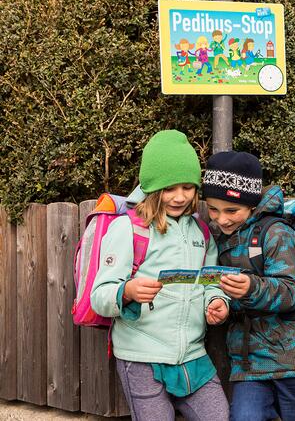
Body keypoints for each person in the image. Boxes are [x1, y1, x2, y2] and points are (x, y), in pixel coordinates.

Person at [91, 130, 230, 421]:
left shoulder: (201, 233)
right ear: (153, 188)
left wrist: (217, 301)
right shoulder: (128, 229)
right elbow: (99, 296)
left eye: (188, 187)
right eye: (169, 188)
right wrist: (126, 291)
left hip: (193, 357)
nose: (180, 197)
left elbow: (210, 282)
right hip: (141, 358)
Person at [202, 151, 295, 421]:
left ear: (252, 204)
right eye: (213, 209)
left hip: (294, 360)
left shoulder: (277, 234)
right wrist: (223, 306)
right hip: (249, 363)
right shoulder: (221, 238)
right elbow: (232, 294)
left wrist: (250, 289)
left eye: (231, 210)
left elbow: (291, 292)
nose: (222, 219)